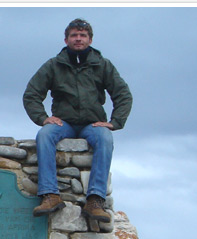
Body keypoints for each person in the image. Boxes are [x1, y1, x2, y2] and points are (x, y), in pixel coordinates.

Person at [23, 18, 132, 221]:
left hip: (93, 123)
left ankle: (95, 201)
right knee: (44, 135)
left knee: (105, 138)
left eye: (83, 35)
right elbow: (31, 94)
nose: (78, 39)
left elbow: (123, 94)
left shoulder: (102, 65)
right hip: (63, 123)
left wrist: (115, 121)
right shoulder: (54, 65)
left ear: (90, 39)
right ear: (66, 40)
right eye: (74, 35)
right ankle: (50, 195)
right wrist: (43, 118)